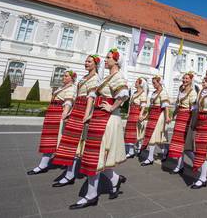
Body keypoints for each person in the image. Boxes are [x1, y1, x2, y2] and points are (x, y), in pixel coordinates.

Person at [70, 48, 128, 209]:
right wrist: (90, 114)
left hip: (106, 119)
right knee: (95, 156)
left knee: (95, 156)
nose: (106, 59)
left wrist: (111, 107)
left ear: (116, 61)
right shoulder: (108, 76)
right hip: (99, 117)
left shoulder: (117, 76)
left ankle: (91, 195)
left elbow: (123, 94)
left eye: (109, 57)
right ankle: (114, 180)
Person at [51, 56, 100, 187]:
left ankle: (70, 174)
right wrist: (71, 111)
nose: (86, 63)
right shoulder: (85, 77)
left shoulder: (95, 78)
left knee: (76, 143)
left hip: (83, 109)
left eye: (89, 61)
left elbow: (91, 97)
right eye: (86, 61)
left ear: (95, 64)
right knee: (71, 142)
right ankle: (69, 173)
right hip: (77, 108)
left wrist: (87, 114)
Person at [27, 70, 76, 175]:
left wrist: (64, 115)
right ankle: (43, 165)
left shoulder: (71, 88)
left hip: (58, 115)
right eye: (63, 75)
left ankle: (69, 170)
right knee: (48, 140)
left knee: (60, 140)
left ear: (71, 78)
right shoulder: (62, 87)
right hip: (52, 114)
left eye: (66, 76)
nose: (63, 77)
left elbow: (68, 101)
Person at [167, 72, 197, 174]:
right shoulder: (181, 90)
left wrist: (193, 122)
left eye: (187, 79)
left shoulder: (193, 92)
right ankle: (180, 165)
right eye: (183, 78)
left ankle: (196, 163)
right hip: (179, 118)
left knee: (186, 146)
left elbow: (194, 108)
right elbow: (177, 105)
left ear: (191, 80)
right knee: (178, 144)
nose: (184, 80)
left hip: (186, 118)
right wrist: (172, 115)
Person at [140, 76, 171, 166]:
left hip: (159, 116)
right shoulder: (154, 93)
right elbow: (150, 106)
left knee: (153, 136)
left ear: (159, 82)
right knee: (155, 137)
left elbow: (166, 106)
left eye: (154, 82)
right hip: (153, 115)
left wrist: (167, 117)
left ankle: (150, 158)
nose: (153, 84)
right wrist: (146, 115)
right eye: (153, 82)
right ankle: (165, 150)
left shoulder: (163, 92)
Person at [124, 77, 148, 159]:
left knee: (134, 132)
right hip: (131, 114)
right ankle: (130, 150)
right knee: (129, 132)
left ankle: (133, 151)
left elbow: (143, 106)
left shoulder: (143, 94)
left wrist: (140, 115)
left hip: (136, 114)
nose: (135, 83)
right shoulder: (134, 93)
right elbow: (130, 105)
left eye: (137, 82)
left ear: (140, 84)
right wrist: (128, 113)